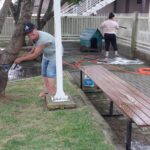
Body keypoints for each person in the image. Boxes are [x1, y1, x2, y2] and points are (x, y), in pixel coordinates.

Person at [14, 22, 56, 97]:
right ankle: (46, 91)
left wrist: (21, 59)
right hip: (47, 54)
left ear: (35, 29)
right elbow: (35, 45)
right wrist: (29, 52)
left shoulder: (44, 39)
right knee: (44, 73)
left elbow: (35, 55)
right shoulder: (35, 36)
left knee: (50, 74)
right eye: (28, 33)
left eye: (31, 32)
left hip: (55, 54)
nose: (30, 34)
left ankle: (52, 93)